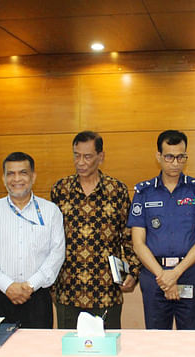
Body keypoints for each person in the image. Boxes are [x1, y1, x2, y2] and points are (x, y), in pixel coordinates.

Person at [51, 131, 140, 329]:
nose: (80, 162)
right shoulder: (60, 190)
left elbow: (130, 236)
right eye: (76, 155)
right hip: (68, 289)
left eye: (87, 156)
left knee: (107, 352)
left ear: (101, 157)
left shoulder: (117, 190)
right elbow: (50, 239)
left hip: (106, 290)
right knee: (70, 351)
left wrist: (133, 272)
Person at [128, 130, 195, 330]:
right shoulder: (143, 192)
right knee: (156, 341)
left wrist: (175, 274)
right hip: (154, 275)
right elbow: (138, 243)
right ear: (159, 156)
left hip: (189, 273)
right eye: (169, 157)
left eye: (180, 157)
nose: (175, 163)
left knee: (191, 341)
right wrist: (164, 276)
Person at [0, 152, 65, 328]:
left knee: (36, 353)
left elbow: (57, 254)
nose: (16, 179)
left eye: (23, 173)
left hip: (37, 298)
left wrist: (30, 285)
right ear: (3, 178)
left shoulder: (51, 211)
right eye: (11, 173)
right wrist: (7, 286)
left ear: (33, 176)